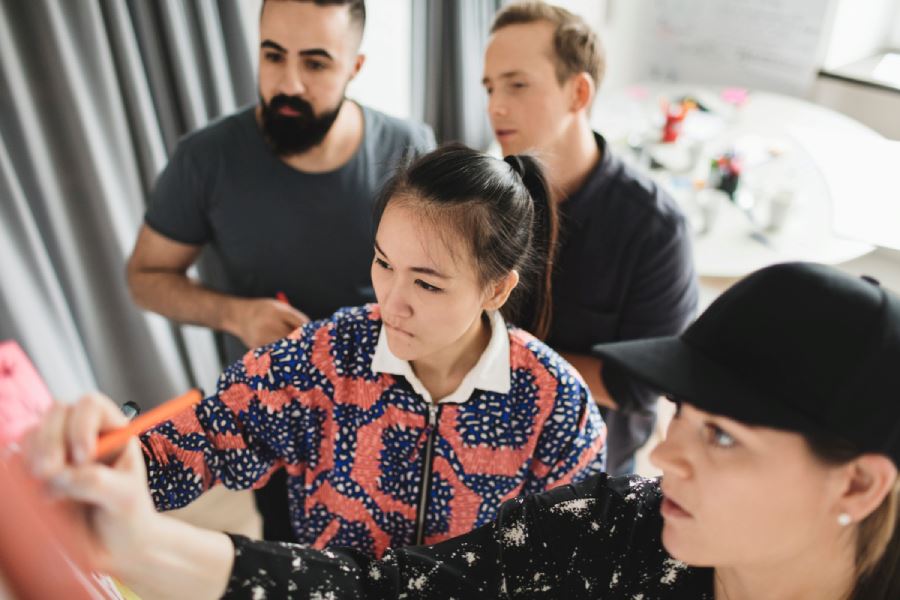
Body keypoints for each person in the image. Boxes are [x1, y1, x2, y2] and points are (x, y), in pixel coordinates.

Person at [26, 262, 900, 599]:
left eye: (722, 438)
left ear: (857, 485)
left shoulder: (553, 401)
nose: (663, 452)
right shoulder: (617, 530)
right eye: (682, 418)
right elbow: (393, 593)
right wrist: (135, 533)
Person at [58, 145, 606, 565]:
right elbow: (210, 435)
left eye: (428, 285)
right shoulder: (326, 355)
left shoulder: (556, 405)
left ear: (496, 290)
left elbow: (566, 560)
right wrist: (114, 460)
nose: (392, 302)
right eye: (383, 263)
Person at [125, 0, 435, 540]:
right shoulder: (205, 159)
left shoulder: (409, 149)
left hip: (397, 417)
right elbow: (145, 277)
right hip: (276, 427)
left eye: (315, 63)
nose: (288, 82)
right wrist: (236, 314)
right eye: (273, 56)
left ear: (354, 67)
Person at [482, 1, 699, 475]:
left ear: (578, 93)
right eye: (490, 87)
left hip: (588, 476)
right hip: (478, 453)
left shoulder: (656, 230)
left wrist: (499, 356)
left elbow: (642, 386)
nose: (495, 105)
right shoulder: (484, 201)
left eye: (517, 85)